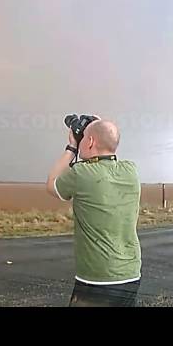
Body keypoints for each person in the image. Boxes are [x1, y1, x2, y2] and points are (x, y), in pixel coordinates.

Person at [46, 118, 142, 307]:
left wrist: (72, 147)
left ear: (89, 142)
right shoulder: (131, 170)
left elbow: (52, 185)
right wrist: (99, 127)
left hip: (97, 278)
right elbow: (109, 147)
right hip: (130, 273)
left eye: (84, 139)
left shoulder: (81, 174)